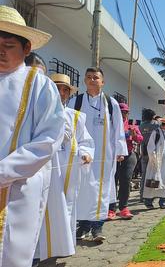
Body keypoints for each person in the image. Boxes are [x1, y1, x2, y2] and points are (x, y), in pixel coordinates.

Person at [0, 5, 65, 267]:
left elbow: (48, 139)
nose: (1, 51)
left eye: (9, 45)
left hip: (17, 187)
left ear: (26, 49)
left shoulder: (39, 84)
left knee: (11, 254)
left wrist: (4, 172)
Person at [37, 74, 94, 262]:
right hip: (44, 170)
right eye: (58, 88)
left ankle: (61, 248)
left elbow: (85, 140)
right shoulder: (38, 111)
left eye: (65, 90)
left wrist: (86, 153)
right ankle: (38, 253)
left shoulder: (75, 117)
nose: (61, 93)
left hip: (67, 172)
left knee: (65, 208)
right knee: (41, 208)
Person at [69, 67, 127, 242]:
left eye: (96, 77)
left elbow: (118, 128)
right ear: (84, 81)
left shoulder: (111, 103)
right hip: (82, 154)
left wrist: (120, 150)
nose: (92, 80)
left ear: (103, 81)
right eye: (89, 77)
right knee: (82, 189)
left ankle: (97, 227)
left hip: (105, 155)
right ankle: (84, 225)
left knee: (101, 189)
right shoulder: (76, 102)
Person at [108, 103, 143, 220]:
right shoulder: (110, 123)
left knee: (126, 180)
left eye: (125, 112)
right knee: (112, 181)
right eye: (121, 112)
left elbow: (140, 139)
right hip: (113, 156)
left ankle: (124, 208)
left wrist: (134, 135)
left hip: (129, 155)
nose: (123, 114)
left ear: (128, 113)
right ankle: (110, 208)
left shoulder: (133, 125)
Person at [143, 115, 165, 209]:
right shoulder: (156, 132)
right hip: (156, 161)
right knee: (153, 180)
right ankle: (148, 201)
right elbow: (150, 147)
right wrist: (153, 159)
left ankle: (163, 201)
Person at [139, 108, 158, 201]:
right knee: (152, 174)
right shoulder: (155, 125)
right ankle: (150, 196)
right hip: (153, 152)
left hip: (143, 152)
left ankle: (142, 195)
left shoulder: (141, 126)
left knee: (144, 175)